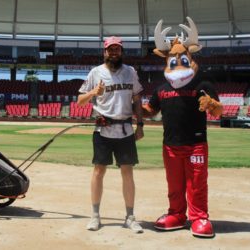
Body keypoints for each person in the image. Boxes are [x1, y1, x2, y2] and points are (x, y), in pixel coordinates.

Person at [143, 17, 223, 238]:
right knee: (174, 184)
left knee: (197, 183)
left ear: (190, 57)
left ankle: (199, 218)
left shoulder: (203, 85)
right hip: (170, 146)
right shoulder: (160, 89)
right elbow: (150, 111)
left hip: (196, 144)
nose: (177, 61)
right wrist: (133, 110)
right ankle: (177, 215)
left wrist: (213, 104)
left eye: (182, 58)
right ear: (166, 60)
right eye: (172, 59)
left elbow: (219, 112)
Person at [77, 36, 144, 233]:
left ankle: (130, 217)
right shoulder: (95, 72)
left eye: (117, 49)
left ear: (121, 52)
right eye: (110, 49)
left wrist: (140, 124)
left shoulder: (130, 72)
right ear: (104, 52)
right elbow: (80, 100)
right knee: (98, 171)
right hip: (103, 130)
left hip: (125, 130)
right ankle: (95, 216)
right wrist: (93, 93)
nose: (114, 52)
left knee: (127, 172)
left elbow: (138, 99)